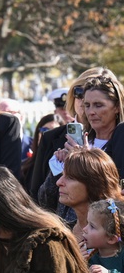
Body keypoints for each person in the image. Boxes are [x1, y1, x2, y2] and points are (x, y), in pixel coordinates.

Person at [29, 68, 119, 201]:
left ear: (116, 104)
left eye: (98, 104)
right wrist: (59, 168)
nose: (89, 109)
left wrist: (85, 161)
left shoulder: (119, 140)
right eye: (80, 92)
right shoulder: (52, 139)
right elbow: (40, 198)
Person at [55, 148, 124, 243]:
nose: (59, 182)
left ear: (95, 184)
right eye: (62, 175)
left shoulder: (116, 231)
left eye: (70, 178)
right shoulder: (66, 228)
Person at [84, 199, 124, 273]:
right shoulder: (90, 255)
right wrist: (77, 260)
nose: (84, 229)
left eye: (92, 226)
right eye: (87, 223)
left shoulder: (122, 256)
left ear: (111, 239)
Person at [19, 113, 62, 188]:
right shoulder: (24, 167)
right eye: (45, 130)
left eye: (54, 131)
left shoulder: (65, 166)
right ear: (38, 134)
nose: (49, 135)